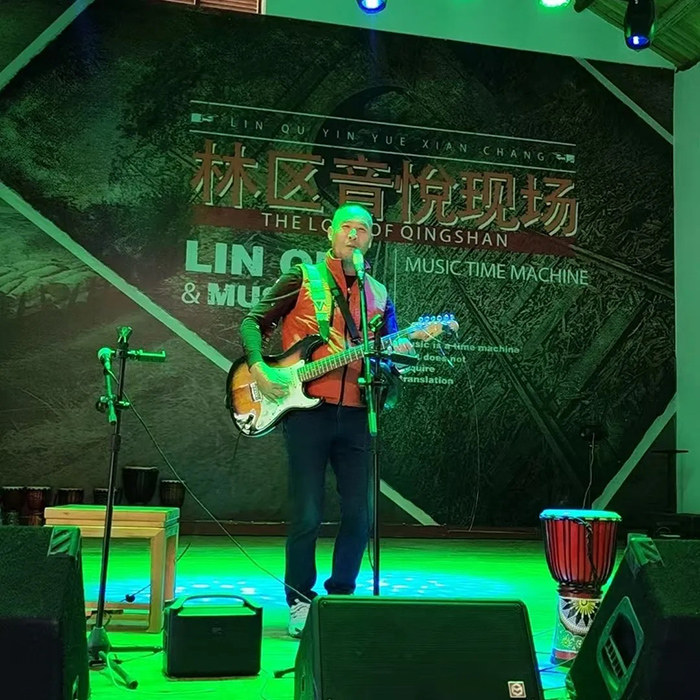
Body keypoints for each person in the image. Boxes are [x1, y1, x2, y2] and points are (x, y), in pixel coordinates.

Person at [239, 203, 412, 637]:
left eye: (363, 229)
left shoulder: (379, 293)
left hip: (356, 415)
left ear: (372, 238)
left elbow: (388, 352)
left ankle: (340, 596)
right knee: (307, 514)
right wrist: (258, 367)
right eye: (346, 227)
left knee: (360, 514)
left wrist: (398, 356)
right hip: (306, 414)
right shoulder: (303, 277)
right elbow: (252, 322)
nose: (354, 235)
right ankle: (299, 600)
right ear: (330, 233)